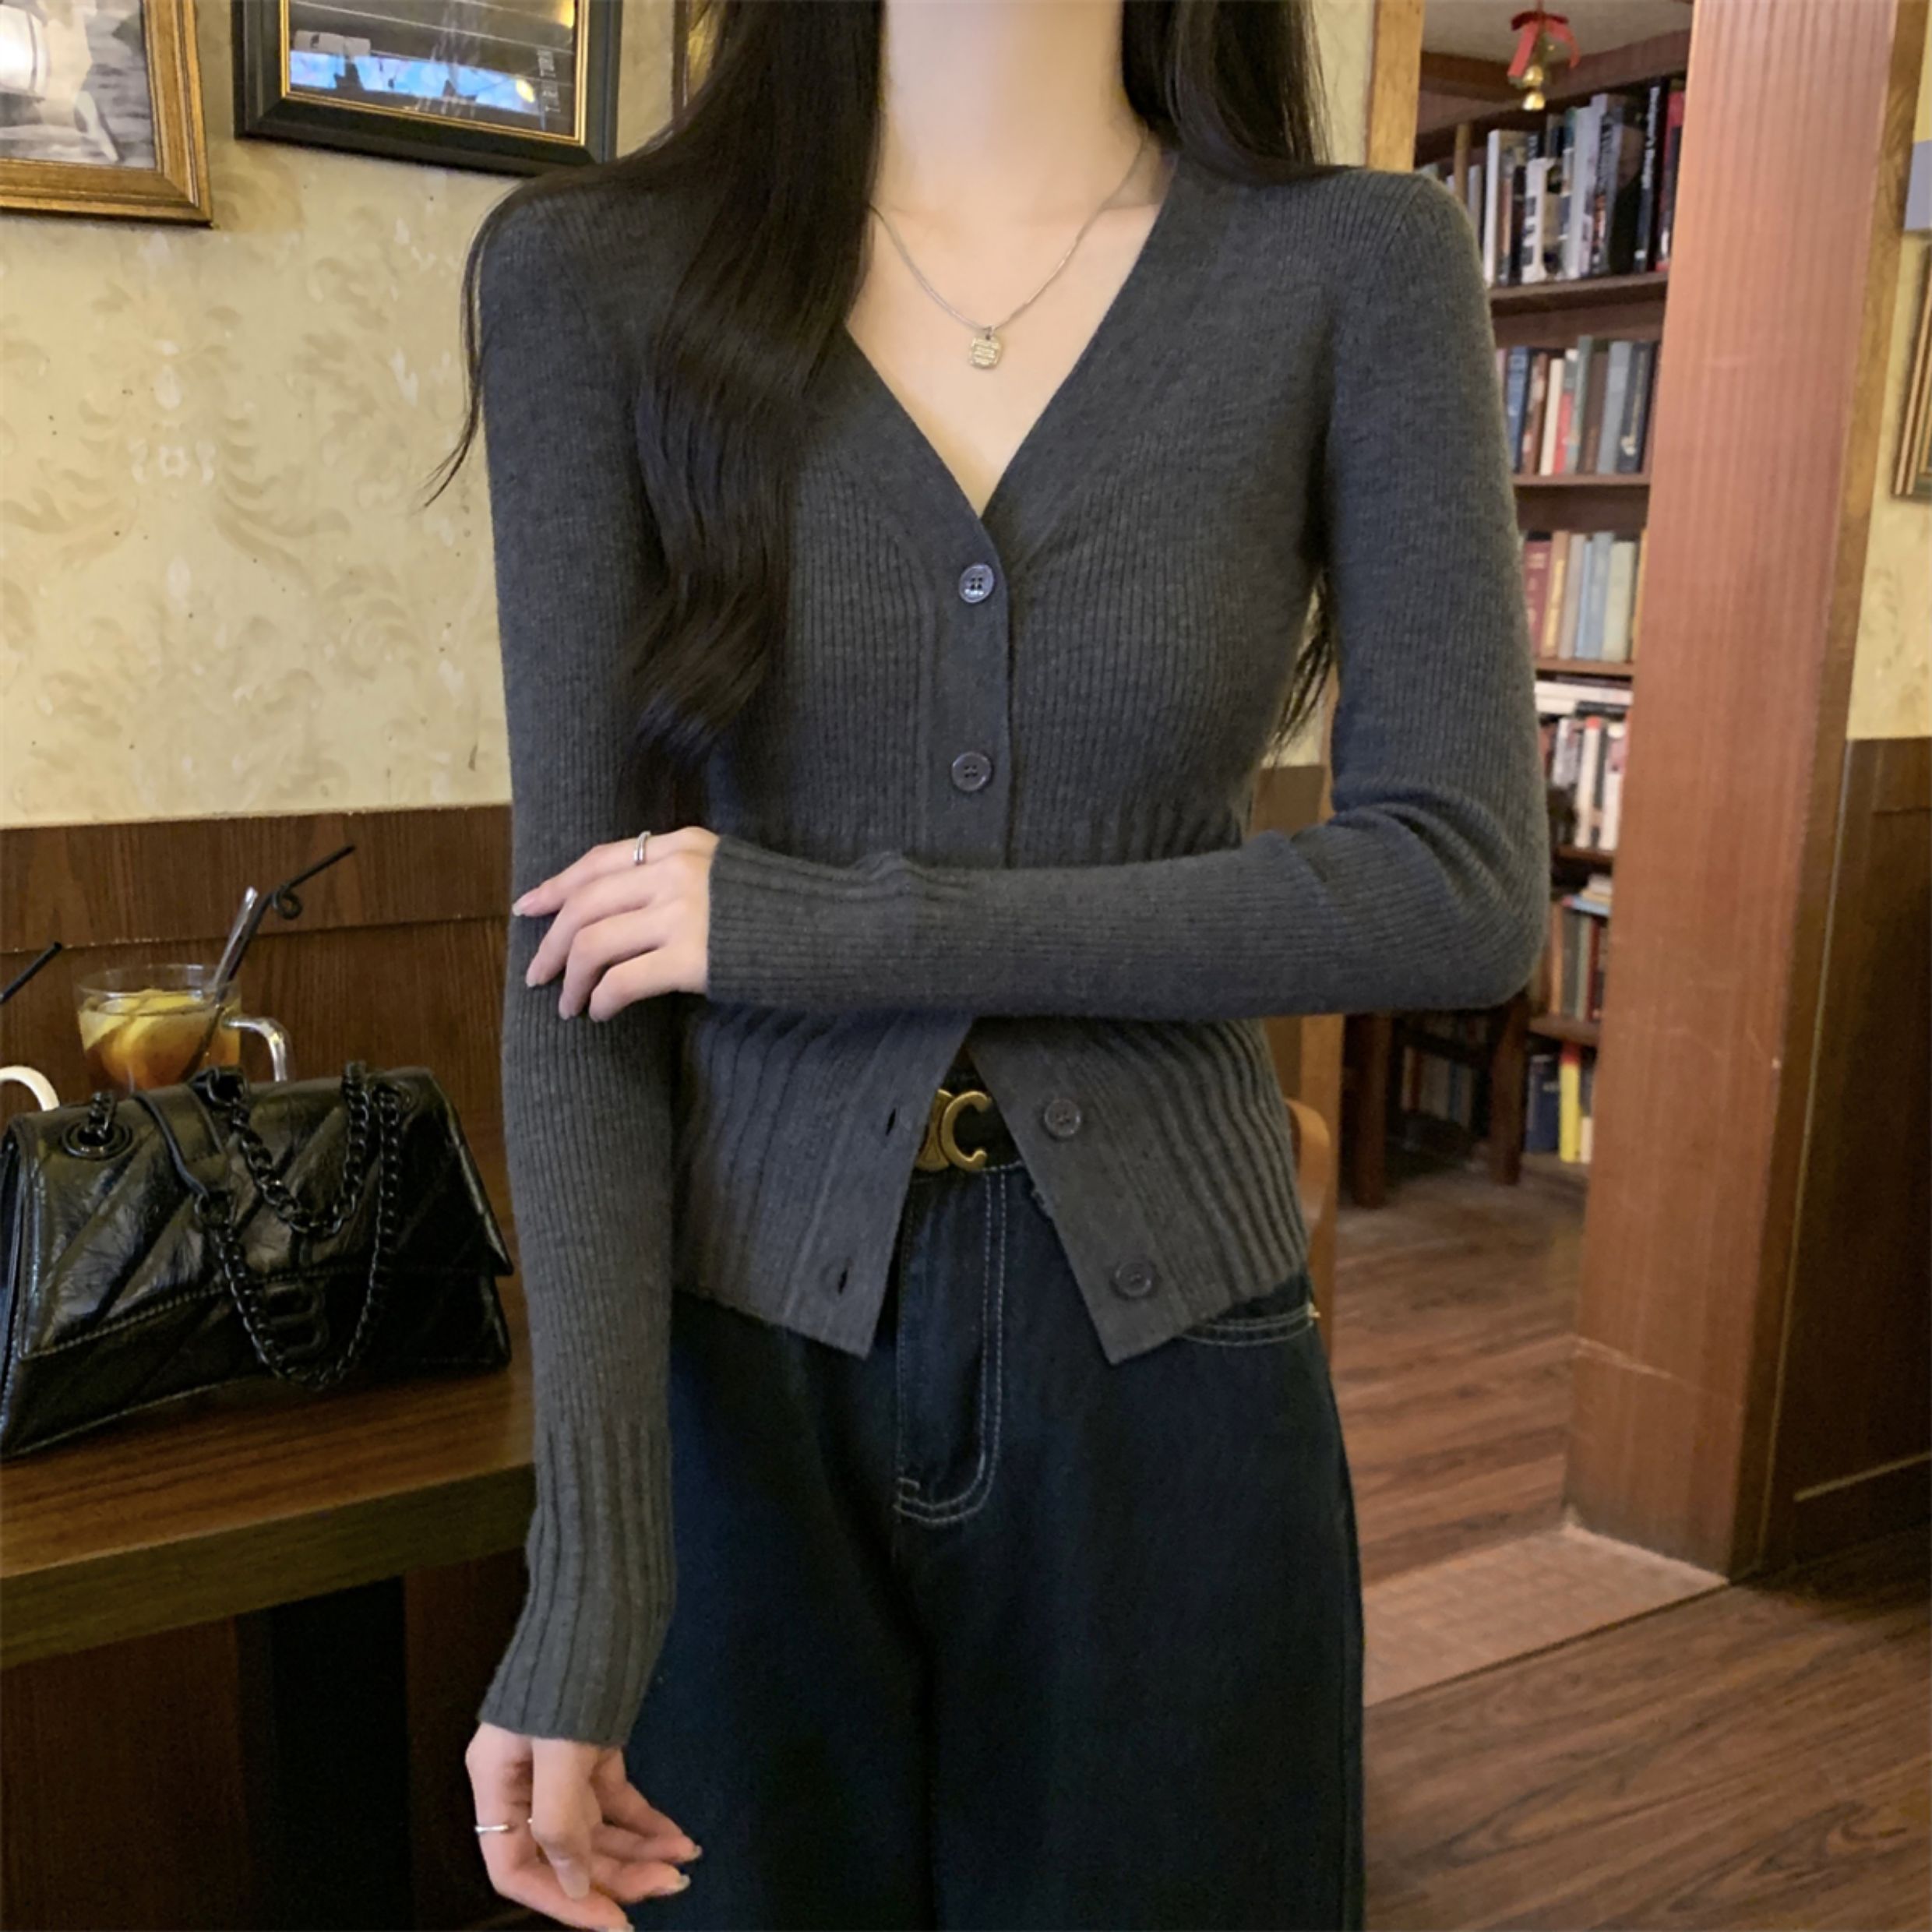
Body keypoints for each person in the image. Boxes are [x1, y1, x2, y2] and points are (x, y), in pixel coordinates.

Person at [432, 2, 1549, 1925]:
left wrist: (840, 927)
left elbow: (1458, 886)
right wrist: (591, 1570)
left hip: (1177, 1385)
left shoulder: (1353, 264)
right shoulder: (590, 274)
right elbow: (579, 963)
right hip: (744, 1391)